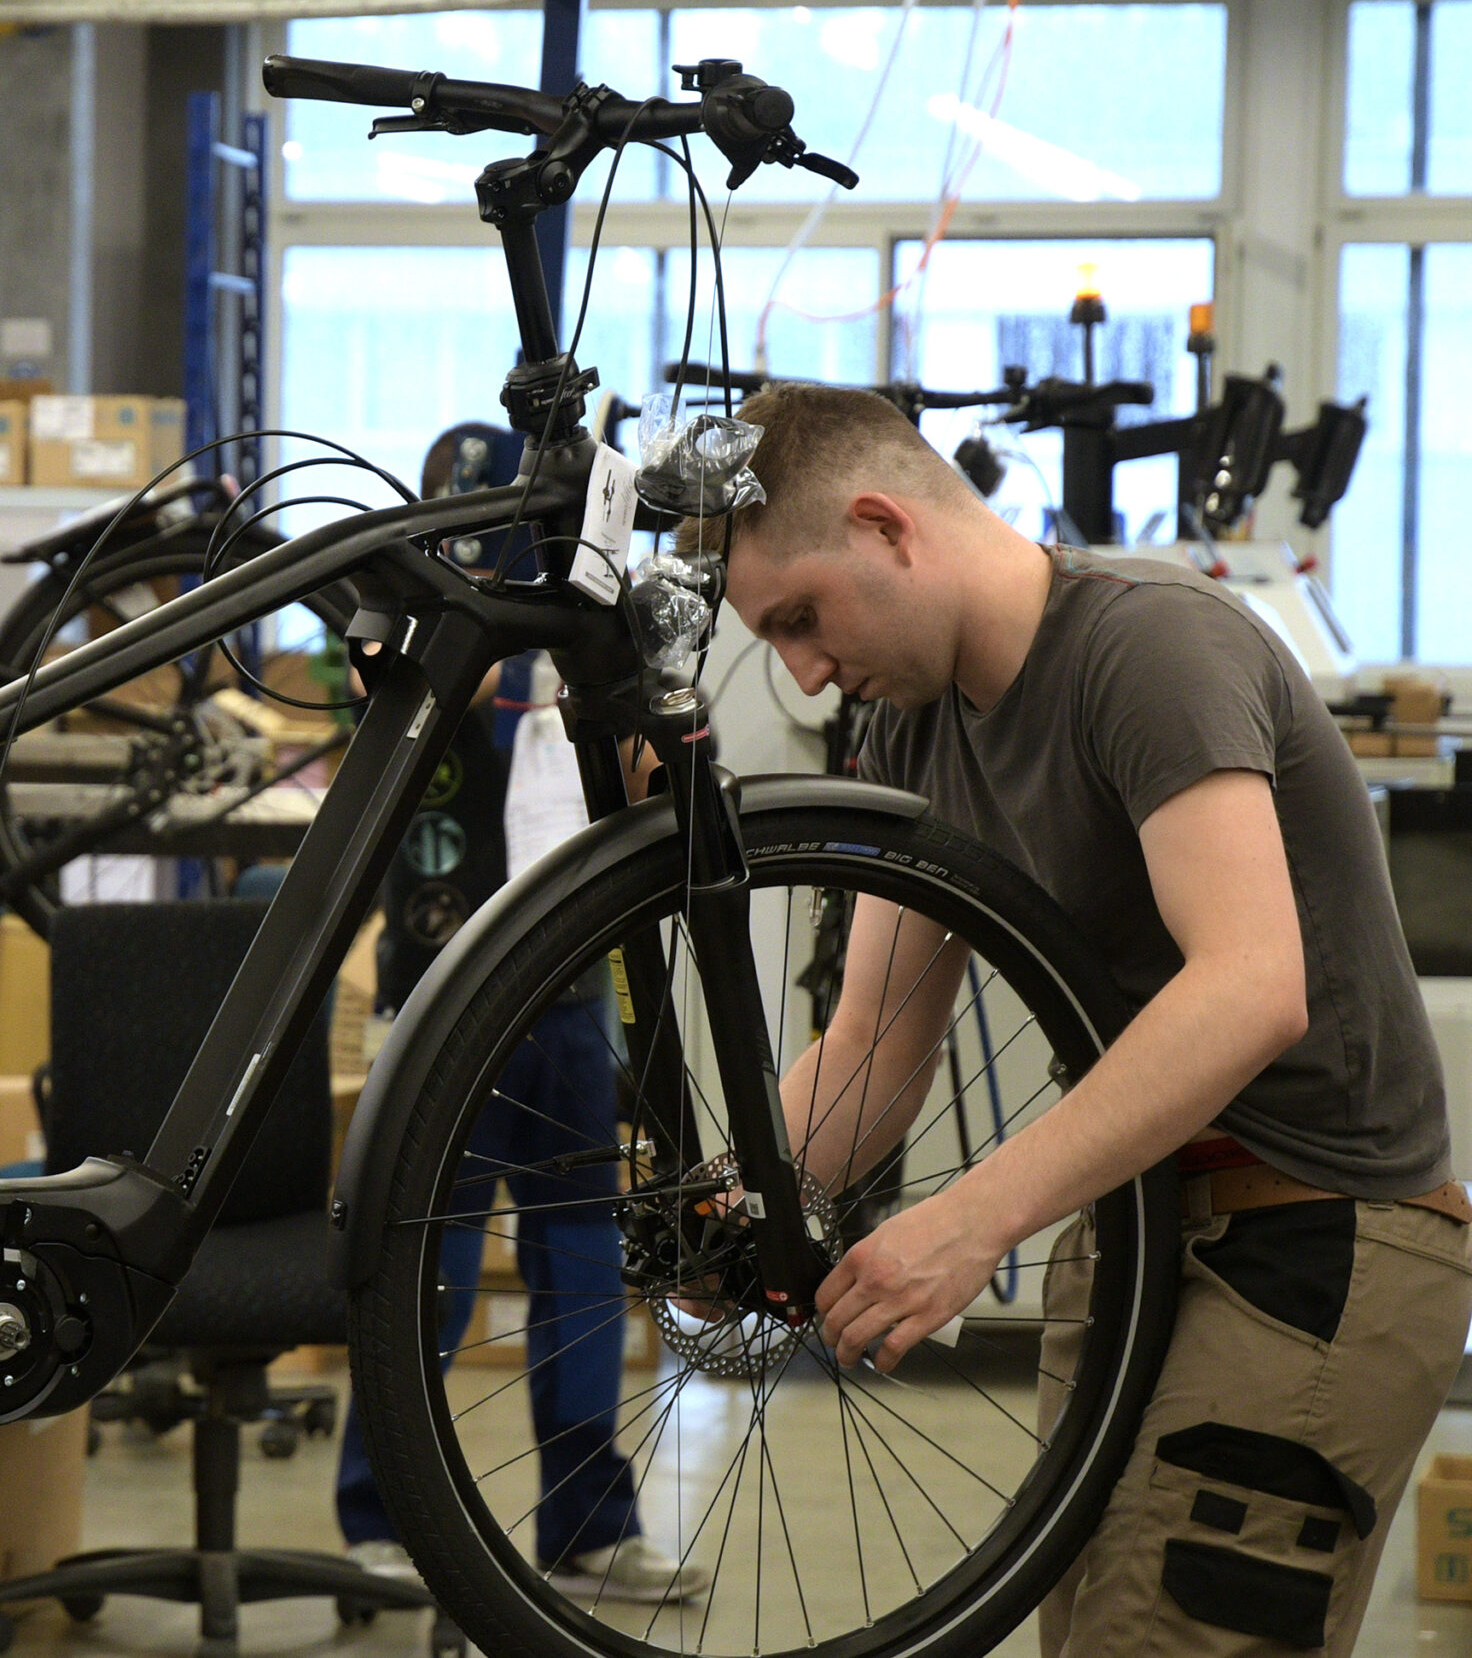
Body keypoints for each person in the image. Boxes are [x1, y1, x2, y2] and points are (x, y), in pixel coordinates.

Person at [705, 380, 1471, 1657]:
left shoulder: (1147, 649)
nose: (804, 670)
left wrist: (964, 1222)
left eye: (800, 618)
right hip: (1132, 1229)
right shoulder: (912, 736)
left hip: (1318, 1232)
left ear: (888, 528)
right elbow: (871, 1053)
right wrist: (721, 1202)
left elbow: (1248, 988)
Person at [334, 704, 711, 1605]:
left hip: (571, 998)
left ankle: (591, 1527)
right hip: (445, 1001)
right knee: (431, 1274)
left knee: (583, 1273)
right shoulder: (433, 577)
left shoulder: (585, 580)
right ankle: (379, 1520)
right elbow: (370, 679)